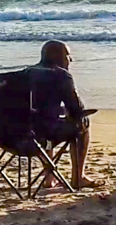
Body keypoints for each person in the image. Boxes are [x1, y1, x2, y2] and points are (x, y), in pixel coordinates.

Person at [27, 39, 95, 190]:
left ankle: (49, 178)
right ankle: (78, 177)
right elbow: (76, 109)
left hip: (20, 132)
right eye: (68, 55)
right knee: (82, 123)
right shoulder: (61, 75)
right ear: (58, 57)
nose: (70, 60)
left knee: (45, 121)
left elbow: (34, 105)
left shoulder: (26, 73)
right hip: (45, 131)